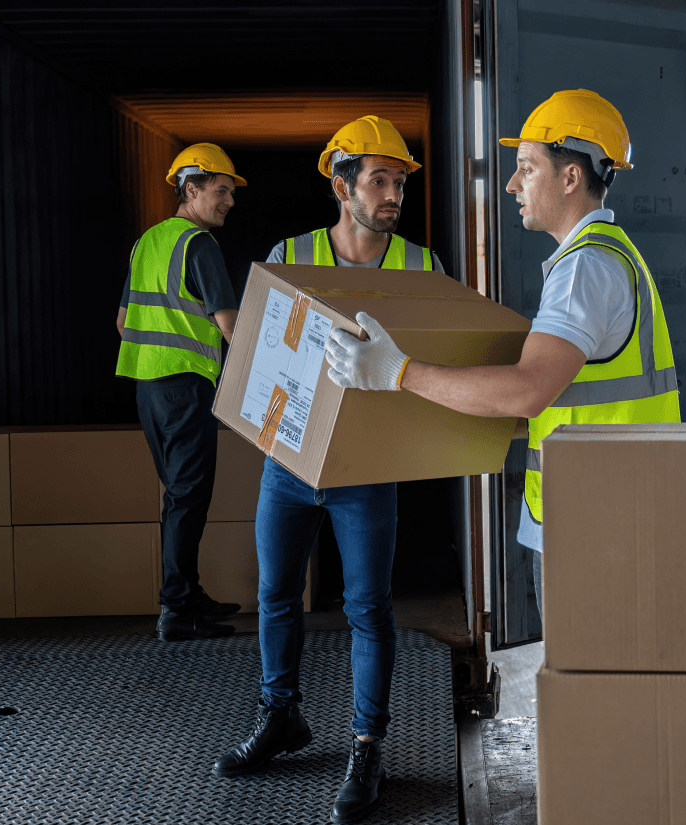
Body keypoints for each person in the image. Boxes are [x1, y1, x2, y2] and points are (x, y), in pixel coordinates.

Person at [324, 90, 682, 615]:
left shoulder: (585, 269)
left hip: (592, 525)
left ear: (570, 178)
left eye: (526, 168)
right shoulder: (609, 257)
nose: (512, 184)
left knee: (584, 666)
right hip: (613, 510)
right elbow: (566, 396)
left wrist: (397, 371)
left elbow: (529, 389)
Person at [212, 116, 443, 825]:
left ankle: (368, 747)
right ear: (342, 187)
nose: (393, 194)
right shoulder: (292, 255)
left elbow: (442, 369)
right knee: (276, 592)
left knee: (367, 608)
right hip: (289, 461)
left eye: (400, 181)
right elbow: (256, 352)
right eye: (379, 180)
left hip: (367, 468)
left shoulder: (422, 268)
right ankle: (281, 715)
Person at [115, 142, 246, 641]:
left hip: (148, 388)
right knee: (189, 498)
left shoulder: (146, 242)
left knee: (178, 497)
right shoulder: (199, 244)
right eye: (221, 190)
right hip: (186, 388)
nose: (229, 201)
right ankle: (177, 610)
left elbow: (123, 321)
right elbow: (231, 327)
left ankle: (187, 594)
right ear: (191, 189)